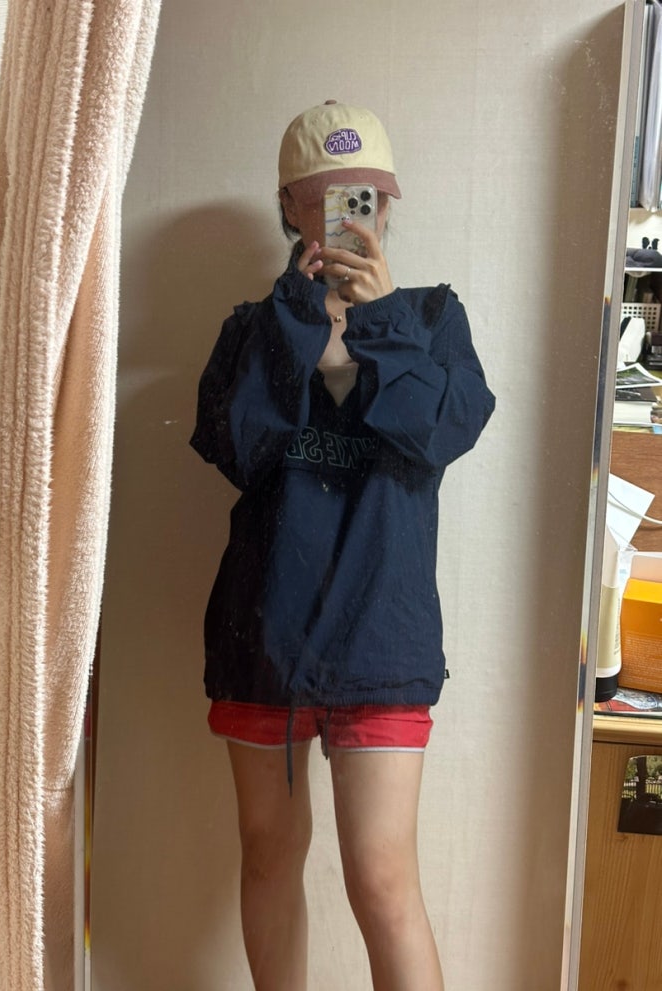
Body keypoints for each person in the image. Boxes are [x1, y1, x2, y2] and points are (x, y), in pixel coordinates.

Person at [189, 100, 495, 991]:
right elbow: (238, 449)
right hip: (264, 636)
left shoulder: (430, 319)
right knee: (266, 854)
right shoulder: (253, 328)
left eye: (366, 196)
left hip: (380, 635)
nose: (351, 215)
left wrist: (382, 320)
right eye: (327, 197)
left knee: (382, 878)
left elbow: (442, 433)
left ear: (389, 203)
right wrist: (295, 317)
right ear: (290, 206)